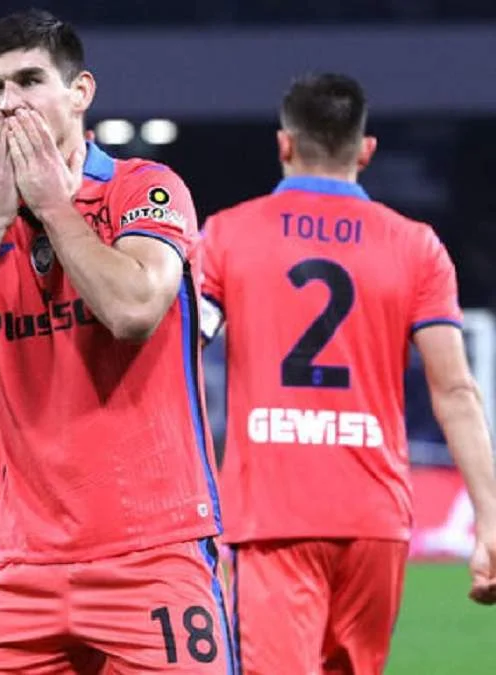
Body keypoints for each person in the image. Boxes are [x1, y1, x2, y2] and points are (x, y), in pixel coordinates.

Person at [0, 10, 234, 674]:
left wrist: (53, 207)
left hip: (154, 554)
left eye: (29, 80)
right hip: (23, 566)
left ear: (80, 93)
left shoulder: (144, 189)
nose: (7, 103)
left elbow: (133, 309)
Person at [199, 72, 496, 675]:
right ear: (366, 150)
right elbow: (456, 391)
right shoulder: (416, 246)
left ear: (284, 144)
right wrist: (490, 519)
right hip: (374, 518)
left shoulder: (227, 235)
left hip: (272, 514)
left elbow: (175, 356)